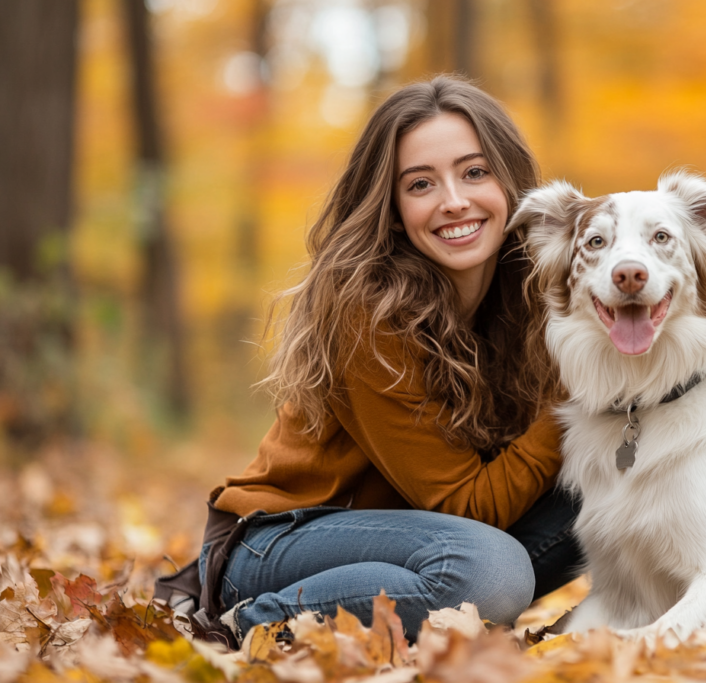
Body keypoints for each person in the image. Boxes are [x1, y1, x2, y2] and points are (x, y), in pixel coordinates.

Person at [156, 76, 582, 646]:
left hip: (426, 542)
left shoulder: (533, 294)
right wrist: (578, 395)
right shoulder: (368, 310)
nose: (454, 199)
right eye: (421, 184)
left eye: (475, 172)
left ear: (510, 181)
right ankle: (251, 620)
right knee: (489, 572)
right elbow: (465, 506)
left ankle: (425, 607)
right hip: (277, 540)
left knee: (618, 481)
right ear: (394, 206)